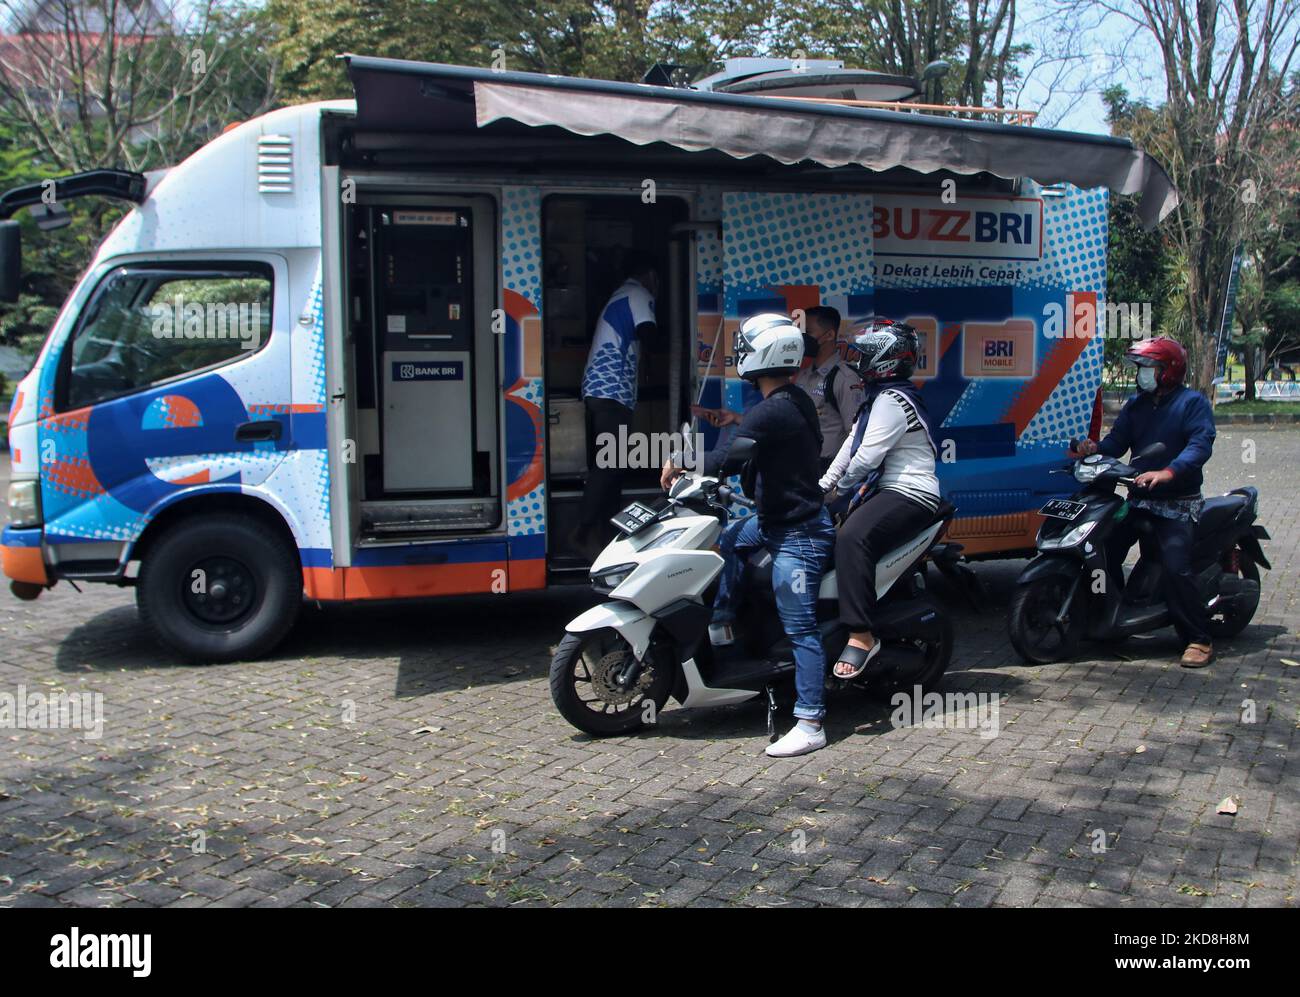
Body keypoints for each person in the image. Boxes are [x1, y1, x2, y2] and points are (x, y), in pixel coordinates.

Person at [661, 313, 836, 757]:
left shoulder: (774, 409)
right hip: (774, 520)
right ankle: (723, 621)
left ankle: (812, 721)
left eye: (744, 346)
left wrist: (681, 462)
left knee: (801, 627)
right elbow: (742, 450)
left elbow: (727, 456)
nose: (738, 353)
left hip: (799, 533)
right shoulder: (792, 399)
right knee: (728, 540)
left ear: (763, 354)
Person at [1071, 336, 1216, 667]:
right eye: (1140, 368)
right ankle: (1114, 612)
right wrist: (1093, 450)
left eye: (1147, 368)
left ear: (1169, 371)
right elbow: (1116, 442)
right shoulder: (1136, 404)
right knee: (1102, 548)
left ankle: (1198, 638)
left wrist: (1168, 472)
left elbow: (1200, 445)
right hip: (1139, 500)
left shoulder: (1192, 404)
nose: (1141, 374)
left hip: (1177, 503)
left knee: (1177, 568)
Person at [819, 320, 941, 680]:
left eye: (864, 354)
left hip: (910, 491)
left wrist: (837, 491)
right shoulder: (877, 398)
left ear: (884, 359)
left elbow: (866, 458)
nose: (857, 360)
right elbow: (849, 445)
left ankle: (860, 635)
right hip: (887, 489)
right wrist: (822, 486)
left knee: (851, 537)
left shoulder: (892, 400)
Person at [572, 251, 660, 560]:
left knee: (614, 465)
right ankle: (582, 533)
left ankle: (606, 534)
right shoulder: (638, 292)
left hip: (603, 391)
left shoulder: (621, 294)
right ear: (650, 275)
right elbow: (648, 332)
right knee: (609, 463)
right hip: (612, 391)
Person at [795, 306, 863, 471]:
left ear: (830, 335)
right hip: (801, 466)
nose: (803, 338)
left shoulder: (844, 378)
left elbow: (856, 435)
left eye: (808, 332)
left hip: (828, 469)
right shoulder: (802, 375)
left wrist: (840, 478)